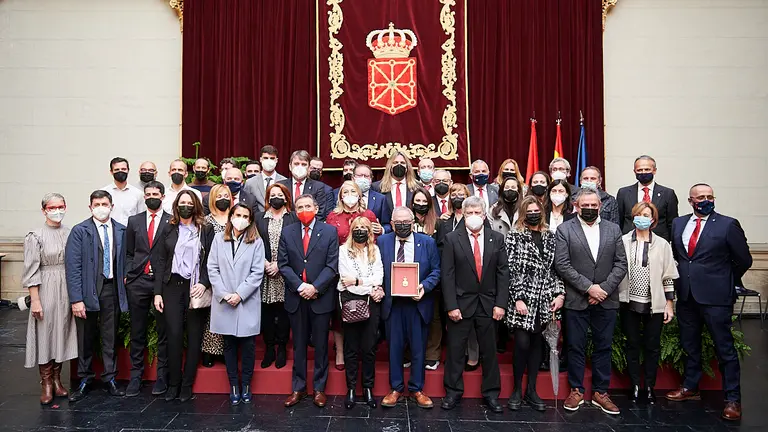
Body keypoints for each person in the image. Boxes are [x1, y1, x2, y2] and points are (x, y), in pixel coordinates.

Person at [665, 183, 752, 421]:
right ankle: (690, 387)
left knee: (724, 349)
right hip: (687, 296)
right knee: (689, 344)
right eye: (700, 197)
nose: (705, 200)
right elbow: (678, 257)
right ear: (690, 201)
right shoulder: (678, 223)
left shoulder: (727, 224)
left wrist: (725, 280)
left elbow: (743, 259)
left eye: (709, 196)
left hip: (716, 297)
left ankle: (732, 399)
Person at [554, 189, 627, 415]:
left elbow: (621, 263)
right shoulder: (564, 229)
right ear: (576, 205)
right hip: (577, 298)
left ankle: (600, 392)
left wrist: (603, 289)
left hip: (606, 299)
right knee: (575, 346)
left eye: (594, 205)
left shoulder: (613, 229)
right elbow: (562, 264)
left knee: (603, 346)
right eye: (585, 205)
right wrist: (589, 288)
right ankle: (576, 390)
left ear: (600, 206)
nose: (590, 208)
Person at [442, 196, 509, 413]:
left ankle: (491, 394)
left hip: (488, 304)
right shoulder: (452, 239)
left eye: (477, 213)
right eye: (468, 212)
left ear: (484, 214)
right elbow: (447, 275)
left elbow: (503, 274)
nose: (473, 217)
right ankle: (452, 392)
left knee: (489, 352)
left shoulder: (496, 238)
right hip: (460, 304)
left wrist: (500, 304)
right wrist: (451, 305)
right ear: (462, 213)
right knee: (455, 351)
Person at [66, 190, 129, 402]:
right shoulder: (79, 231)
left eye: (104, 203)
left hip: (112, 289)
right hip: (87, 291)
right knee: (86, 337)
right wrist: (76, 299)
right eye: (97, 204)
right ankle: (84, 379)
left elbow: (127, 259)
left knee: (110, 336)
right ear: (90, 207)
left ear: (111, 206)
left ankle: (110, 377)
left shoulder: (121, 230)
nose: (101, 207)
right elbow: (72, 267)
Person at [152, 190, 215, 402]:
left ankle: (187, 384)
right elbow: (160, 261)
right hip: (171, 286)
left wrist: (204, 283)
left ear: (196, 205)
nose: (185, 206)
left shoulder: (205, 229)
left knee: (194, 336)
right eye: (182, 203)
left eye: (189, 202)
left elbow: (211, 261)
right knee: (174, 336)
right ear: (176, 206)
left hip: (195, 286)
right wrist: (158, 292)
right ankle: (173, 384)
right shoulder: (168, 228)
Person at [278, 195, 339, 408]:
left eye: (308, 206)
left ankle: (320, 389)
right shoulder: (288, 232)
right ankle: (299, 388)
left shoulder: (329, 231)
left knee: (321, 346)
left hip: (320, 297)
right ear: (295, 211)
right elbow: (283, 265)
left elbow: (332, 265)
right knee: (299, 345)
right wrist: (301, 286)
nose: (304, 210)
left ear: (316, 208)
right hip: (297, 297)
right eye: (300, 207)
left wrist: (315, 287)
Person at [505, 196, 565, 411]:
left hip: (545, 298)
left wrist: (560, 294)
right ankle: (516, 390)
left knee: (537, 345)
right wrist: (518, 297)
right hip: (522, 298)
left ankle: (531, 390)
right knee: (522, 344)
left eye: (536, 210)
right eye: (528, 211)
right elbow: (510, 270)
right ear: (523, 213)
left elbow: (556, 269)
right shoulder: (514, 236)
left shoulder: (550, 236)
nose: (533, 214)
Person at [379, 207, 441, 409]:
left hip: (418, 304)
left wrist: (424, 287)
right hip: (393, 304)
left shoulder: (428, 242)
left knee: (418, 349)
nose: (403, 225)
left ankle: (416, 389)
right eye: (398, 222)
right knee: (395, 348)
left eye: (407, 221)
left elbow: (436, 271)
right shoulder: (382, 242)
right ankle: (396, 387)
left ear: (413, 221)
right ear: (392, 223)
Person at [617, 202, 678, 404]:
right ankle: (635, 385)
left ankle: (650, 386)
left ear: (653, 220)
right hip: (628, 301)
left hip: (655, 303)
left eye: (647, 215)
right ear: (633, 217)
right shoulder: (623, 241)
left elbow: (668, 275)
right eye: (639, 214)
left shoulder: (662, 244)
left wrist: (669, 304)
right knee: (633, 345)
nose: (643, 218)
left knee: (652, 346)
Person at [208, 203, 265, 406]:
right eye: (237, 214)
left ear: (250, 220)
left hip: (246, 301)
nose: (241, 218)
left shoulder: (256, 242)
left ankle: (246, 384)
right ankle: (234, 385)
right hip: (224, 301)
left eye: (245, 216)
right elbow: (212, 268)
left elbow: (257, 272)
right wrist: (224, 294)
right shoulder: (217, 239)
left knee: (248, 347)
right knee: (229, 346)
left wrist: (239, 294)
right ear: (231, 216)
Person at [23, 193, 77, 405]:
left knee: (62, 332)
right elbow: (31, 270)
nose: (57, 210)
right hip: (45, 286)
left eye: (60, 206)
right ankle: (45, 382)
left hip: (66, 286)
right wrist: (35, 299)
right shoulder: (35, 236)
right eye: (52, 207)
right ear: (44, 210)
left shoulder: (71, 232)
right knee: (46, 332)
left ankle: (57, 379)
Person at [124, 181, 171, 397]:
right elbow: (129, 251)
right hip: (138, 280)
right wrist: (128, 274)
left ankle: (162, 377)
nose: (151, 196)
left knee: (163, 331)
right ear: (144, 197)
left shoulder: (172, 221)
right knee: (138, 330)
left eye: (155, 193)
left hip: (162, 282)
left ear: (162, 196)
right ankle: (136, 376)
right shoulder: (134, 221)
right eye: (148, 193)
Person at [326, 180, 379, 370]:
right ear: (340, 196)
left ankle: (361, 350)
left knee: (362, 312)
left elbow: (375, 241)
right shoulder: (333, 216)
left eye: (352, 191)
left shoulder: (368, 215)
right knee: (341, 312)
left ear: (359, 194)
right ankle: (341, 351)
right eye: (345, 191)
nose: (349, 195)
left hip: (364, 269)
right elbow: (328, 242)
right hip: (339, 269)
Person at [337, 217, 385, 409]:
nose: (360, 231)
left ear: (369, 231)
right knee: (351, 348)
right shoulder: (343, 250)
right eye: (356, 228)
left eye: (363, 227)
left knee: (369, 348)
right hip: (351, 302)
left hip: (372, 304)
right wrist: (369, 285)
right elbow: (345, 279)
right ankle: (350, 390)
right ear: (351, 230)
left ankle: (367, 389)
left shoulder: (375, 250)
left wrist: (358, 282)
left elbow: (379, 276)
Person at [255, 184, 297, 369]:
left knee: (284, 312)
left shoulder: (293, 218)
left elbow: (296, 246)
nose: (276, 198)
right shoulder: (259, 218)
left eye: (280, 194)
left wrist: (280, 265)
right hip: (264, 272)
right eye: (273, 195)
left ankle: (281, 347)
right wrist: (265, 264)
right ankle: (269, 347)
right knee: (267, 313)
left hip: (285, 272)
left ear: (286, 197)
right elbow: (253, 242)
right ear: (267, 198)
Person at [200, 184, 232, 367]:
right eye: (218, 195)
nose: (222, 198)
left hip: (233, 273)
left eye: (226, 195)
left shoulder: (236, 218)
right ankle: (209, 351)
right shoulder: (205, 222)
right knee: (213, 313)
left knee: (229, 311)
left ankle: (226, 350)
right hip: (211, 272)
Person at [616, 155, 679, 241]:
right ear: (634, 172)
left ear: (654, 171)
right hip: (630, 241)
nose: (643, 172)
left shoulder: (668, 193)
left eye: (647, 169)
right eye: (639, 170)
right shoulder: (623, 193)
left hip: (658, 242)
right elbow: (619, 220)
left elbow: (672, 223)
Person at [279, 150, 328, 221]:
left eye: (304, 164)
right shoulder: (281, 185)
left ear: (308, 167)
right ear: (290, 166)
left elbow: (319, 213)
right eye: (296, 164)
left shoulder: (318, 187)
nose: (299, 167)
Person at [372, 151, 419, 222]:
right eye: (395, 163)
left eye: (402, 163)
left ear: (407, 167)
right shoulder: (377, 187)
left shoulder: (417, 187)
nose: (399, 165)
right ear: (390, 166)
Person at [244, 145, 287, 213]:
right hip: (257, 220)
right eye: (266, 158)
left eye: (272, 158)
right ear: (261, 159)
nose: (269, 161)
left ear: (276, 160)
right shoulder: (250, 183)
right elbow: (246, 204)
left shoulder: (284, 181)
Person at [101, 157, 143, 226]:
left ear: (128, 170)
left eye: (123, 169)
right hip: (110, 233)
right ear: (111, 172)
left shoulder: (138, 194)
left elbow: (141, 217)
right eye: (117, 169)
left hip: (131, 233)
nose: (120, 171)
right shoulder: (103, 193)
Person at [353, 164, 387, 229]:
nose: (363, 178)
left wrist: (382, 229)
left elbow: (387, 224)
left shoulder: (381, 199)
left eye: (366, 176)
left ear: (371, 179)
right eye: (359, 176)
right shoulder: (345, 197)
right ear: (353, 178)